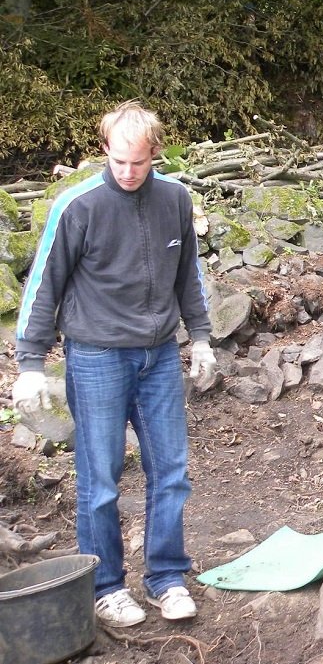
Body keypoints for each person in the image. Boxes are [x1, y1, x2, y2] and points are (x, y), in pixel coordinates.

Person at [12, 100, 214, 627]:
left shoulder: (175, 200)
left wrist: (204, 338)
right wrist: (30, 362)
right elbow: (43, 284)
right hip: (96, 355)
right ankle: (105, 585)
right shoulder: (78, 205)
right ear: (105, 150)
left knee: (170, 472)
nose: (128, 172)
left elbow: (187, 276)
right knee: (100, 477)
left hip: (160, 357)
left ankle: (166, 577)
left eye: (139, 163)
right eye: (119, 161)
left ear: (156, 155)